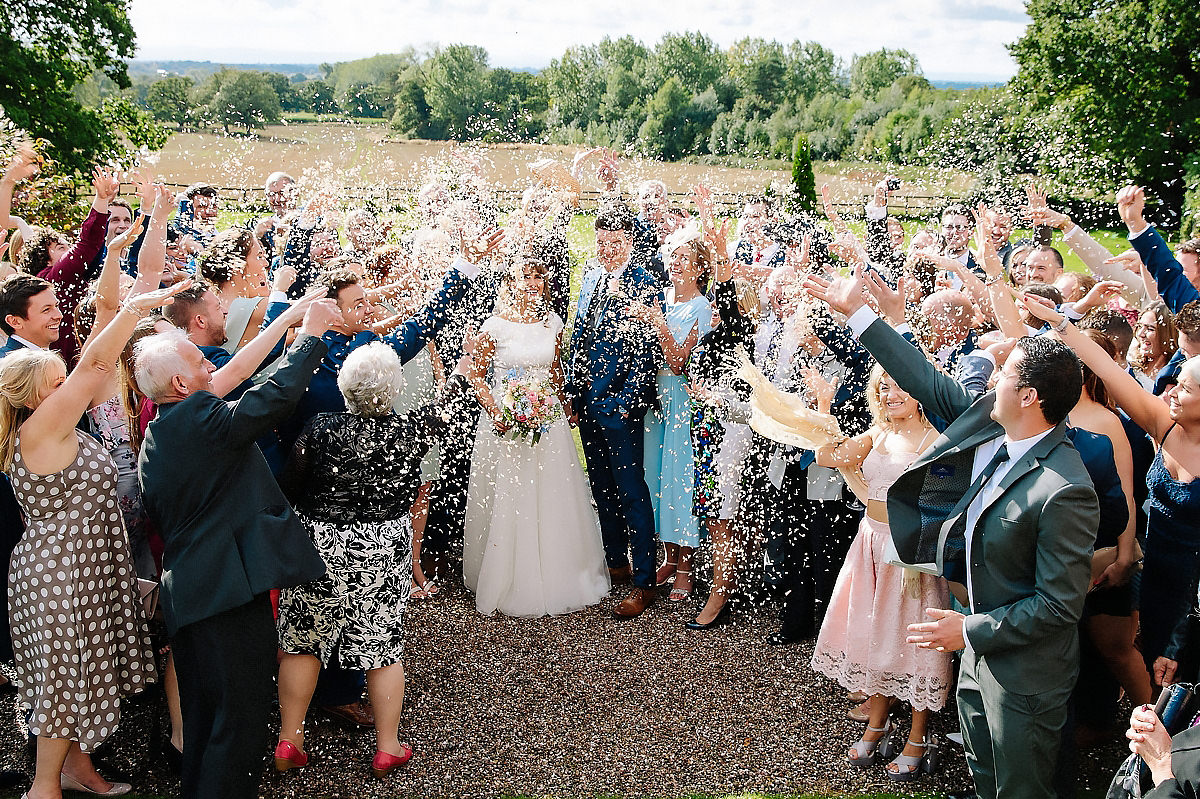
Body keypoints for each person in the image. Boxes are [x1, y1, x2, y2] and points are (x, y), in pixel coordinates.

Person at [806, 265, 1099, 799]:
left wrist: (966, 632)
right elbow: (922, 378)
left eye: (1002, 373)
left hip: (1025, 677)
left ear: (1029, 396)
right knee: (985, 780)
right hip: (975, 662)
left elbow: (1059, 606)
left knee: (1022, 788)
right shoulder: (991, 426)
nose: (990, 380)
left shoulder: (1064, 488)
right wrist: (859, 315)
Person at [136, 298, 342, 799]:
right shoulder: (200, 419)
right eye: (201, 361)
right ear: (182, 384)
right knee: (241, 721)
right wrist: (311, 337)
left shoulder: (167, 426)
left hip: (192, 595)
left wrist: (286, 326)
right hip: (225, 596)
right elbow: (271, 400)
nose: (213, 365)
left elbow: (241, 378)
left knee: (207, 720)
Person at [1, 280, 185, 798]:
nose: (69, 386)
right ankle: (43, 787)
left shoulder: (58, 428)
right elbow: (95, 366)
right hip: (59, 575)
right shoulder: (39, 430)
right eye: (57, 381)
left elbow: (99, 378)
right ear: (35, 395)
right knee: (61, 684)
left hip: (81, 569)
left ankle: (77, 770)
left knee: (73, 675)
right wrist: (128, 310)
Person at [275, 343, 467, 777]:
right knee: (381, 648)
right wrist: (459, 371)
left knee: (302, 641)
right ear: (394, 389)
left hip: (320, 546)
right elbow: (445, 409)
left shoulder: (320, 428)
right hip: (380, 549)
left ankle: (289, 739)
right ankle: (387, 747)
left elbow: (288, 488)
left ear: (345, 385)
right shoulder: (412, 431)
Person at [808, 366, 951, 781]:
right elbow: (828, 457)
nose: (891, 394)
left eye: (900, 386)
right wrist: (823, 405)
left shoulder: (936, 443)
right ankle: (878, 721)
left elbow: (945, 502)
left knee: (912, 637)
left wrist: (919, 546)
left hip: (909, 556)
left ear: (922, 391)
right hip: (869, 543)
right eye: (883, 387)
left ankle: (919, 736)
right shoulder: (878, 435)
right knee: (873, 633)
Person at [463, 257, 610, 616]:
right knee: (512, 496)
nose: (531, 282)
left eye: (537, 276)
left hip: (549, 423)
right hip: (505, 424)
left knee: (552, 493)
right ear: (510, 283)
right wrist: (498, 411)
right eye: (523, 276)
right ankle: (508, 576)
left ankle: (559, 571)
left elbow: (556, 370)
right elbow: (476, 375)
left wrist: (565, 405)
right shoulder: (494, 327)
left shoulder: (552, 322)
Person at [565, 206, 664, 618]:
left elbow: (648, 352)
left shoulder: (644, 283)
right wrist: (572, 391)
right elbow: (580, 335)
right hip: (587, 403)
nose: (607, 250)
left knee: (631, 491)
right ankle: (616, 561)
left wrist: (628, 402)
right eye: (602, 242)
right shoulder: (590, 277)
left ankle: (644, 582)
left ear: (630, 243)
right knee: (601, 489)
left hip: (620, 408)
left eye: (616, 243)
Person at [633, 225, 711, 602]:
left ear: (699, 269)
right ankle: (666, 555)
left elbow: (680, 361)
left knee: (681, 479)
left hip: (680, 397)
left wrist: (659, 324)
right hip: (654, 400)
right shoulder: (659, 297)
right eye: (673, 257)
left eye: (685, 260)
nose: (675, 264)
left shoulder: (701, 307)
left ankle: (686, 567)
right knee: (655, 477)